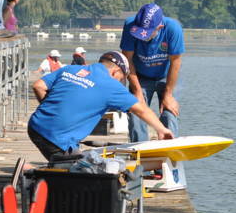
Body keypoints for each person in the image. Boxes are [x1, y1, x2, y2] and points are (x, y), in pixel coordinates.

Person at [28, 50, 174, 161]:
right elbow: (141, 110)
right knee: (80, 174)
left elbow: (38, 86)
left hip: (35, 126)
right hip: (57, 138)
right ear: (115, 71)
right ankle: (29, 173)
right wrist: (162, 130)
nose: (120, 83)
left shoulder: (70, 69)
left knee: (64, 160)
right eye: (121, 79)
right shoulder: (110, 85)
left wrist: (54, 110)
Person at [120, 3, 184, 142]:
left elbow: (176, 62)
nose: (142, 36)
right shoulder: (130, 25)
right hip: (139, 76)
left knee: (170, 111)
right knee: (137, 111)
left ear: (159, 27)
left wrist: (168, 94)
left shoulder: (173, 28)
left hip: (165, 76)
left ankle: (169, 146)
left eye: (147, 33)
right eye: (140, 31)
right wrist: (137, 91)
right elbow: (127, 60)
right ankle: (139, 148)